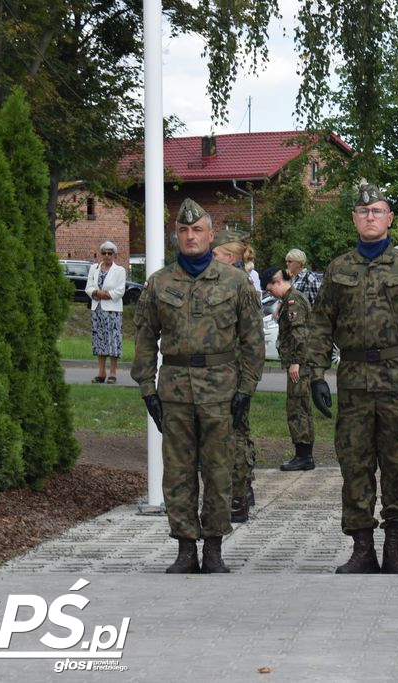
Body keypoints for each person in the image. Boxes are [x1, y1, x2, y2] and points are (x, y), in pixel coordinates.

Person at [308, 180, 398, 575]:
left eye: (378, 211)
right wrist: (316, 374)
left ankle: (395, 549)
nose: (370, 217)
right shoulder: (339, 268)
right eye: (364, 212)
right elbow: (320, 325)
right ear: (354, 219)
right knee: (355, 465)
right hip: (353, 381)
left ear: (390, 219)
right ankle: (362, 548)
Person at [132, 198, 264, 574]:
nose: (191, 236)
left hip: (221, 390)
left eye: (198, 230)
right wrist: (147, 388)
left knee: (219, 469)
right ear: (177, 236)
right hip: (174, 391)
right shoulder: (159, 283)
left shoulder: (235, 282)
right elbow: (144, 338)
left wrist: (246, 389)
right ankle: (186, 547)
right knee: (177, 471)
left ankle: (215, 547)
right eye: (184, 231)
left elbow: (252, 340)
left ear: (210, 234)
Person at [211, 229, 260, 522]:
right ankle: (242, 488)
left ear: (228, 257)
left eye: (216, 255)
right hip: (222, 373)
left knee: (237, 434)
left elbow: (251, 340)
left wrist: (245, 383)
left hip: (237, 373)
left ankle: (240, 494)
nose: (212, 259)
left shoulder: (241, 286)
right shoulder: (223, 283)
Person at [263, 265, 317, 472]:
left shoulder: (293, 301)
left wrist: (296, 361)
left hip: (299, 365)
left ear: (278, 282)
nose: (270, 293)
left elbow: (300, 334)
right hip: (298, 362)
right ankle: (304, 455)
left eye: (270, 289)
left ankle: (303, 456)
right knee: (299, 407)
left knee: (298, 408)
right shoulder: (288, 300)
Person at [85, 241, 126, 384]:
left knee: (113, 341)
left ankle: (113, 373)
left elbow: (120, 290)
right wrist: (96, 292)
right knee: (99, 341)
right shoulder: (94, 268)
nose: (107, 256)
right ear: (100, 254)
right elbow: (88, 287)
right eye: (104, 253)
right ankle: (101, 373)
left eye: (110, 253)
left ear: (114, 255)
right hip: (97, 309)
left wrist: (105, 294)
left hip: (113, 310)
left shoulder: (119, 270)